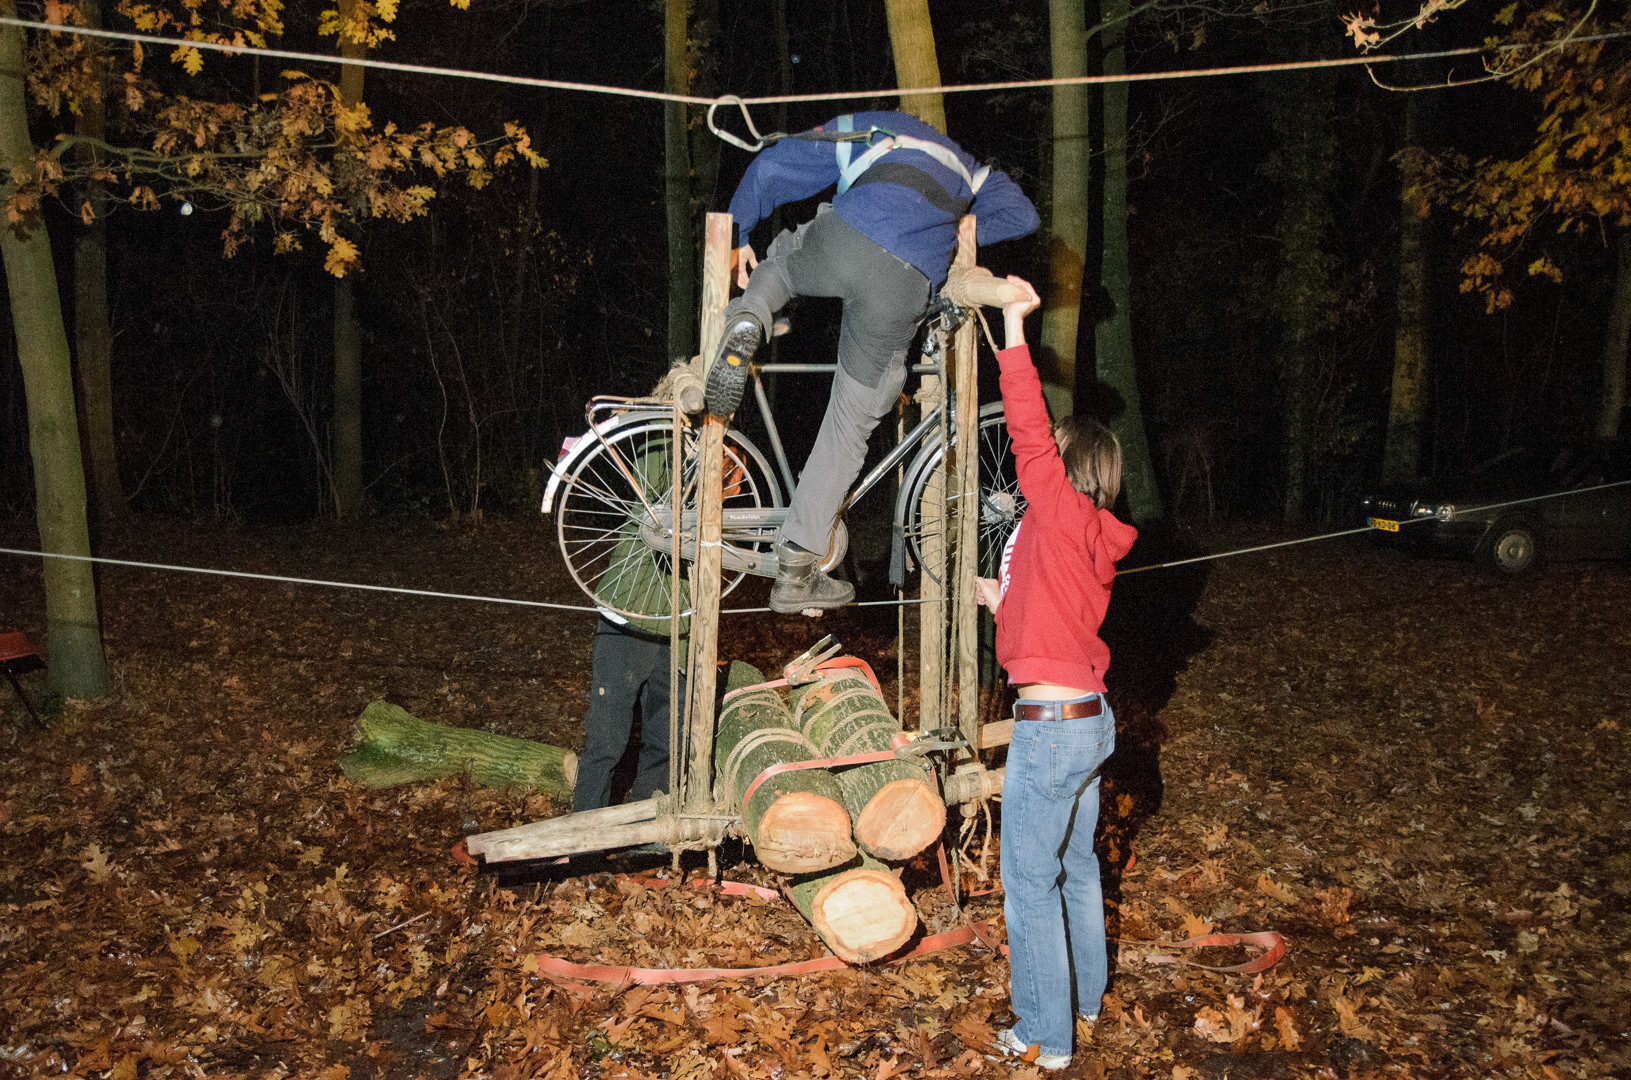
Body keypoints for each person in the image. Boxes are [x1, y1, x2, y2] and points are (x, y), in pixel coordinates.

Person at [707, 110, 1040, 614]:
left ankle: (752, 312)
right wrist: (949, 234)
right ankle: (795, 571)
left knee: (782, 265)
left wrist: (738, 231)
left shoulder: (875, 126)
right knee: (849, 424)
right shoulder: (969, 169)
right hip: (905, 281)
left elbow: (774, 167)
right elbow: (1022, 216)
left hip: (846, 238)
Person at [976, 277, 1138, 1071]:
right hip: (1087, 720)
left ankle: (1043, 1034)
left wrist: (1012, 328)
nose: (1033, 469)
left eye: (1051, 457)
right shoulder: (1082, 533)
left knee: (1027, 883)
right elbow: (1052, 617)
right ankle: (1085, 997)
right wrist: (1000, 599)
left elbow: (1026, 428)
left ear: (1067, 466)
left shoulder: (1059, 508)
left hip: (1048, 734)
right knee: (1074, 866)